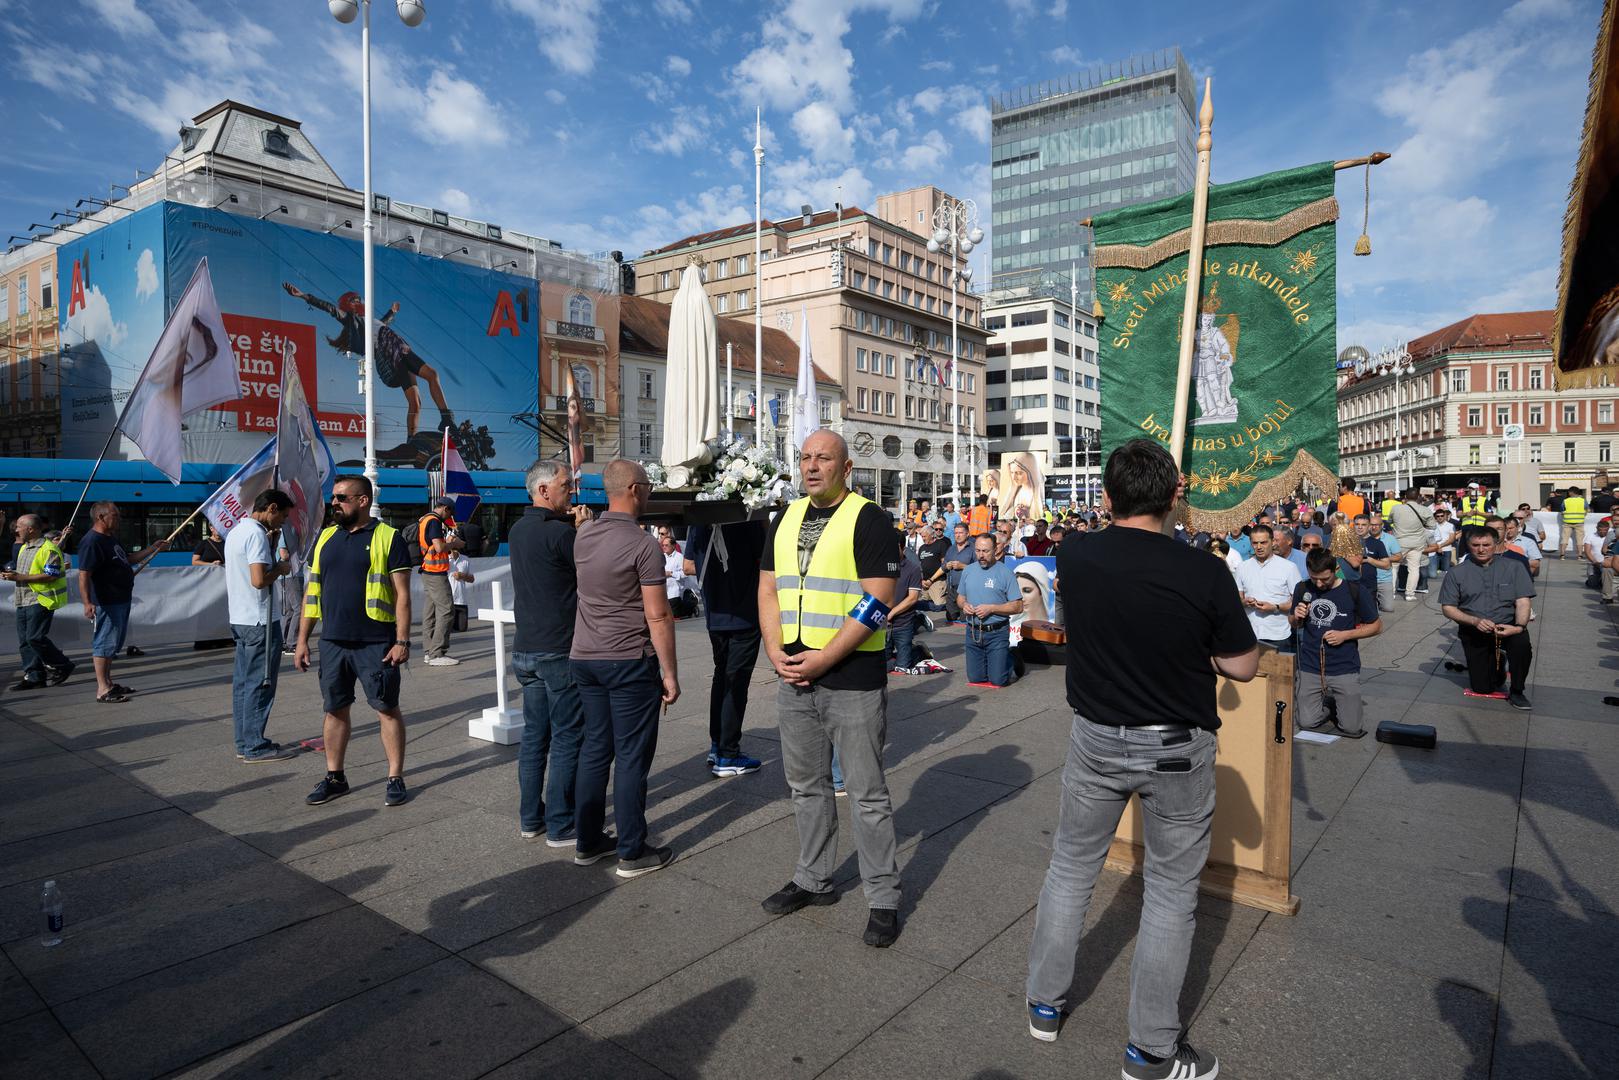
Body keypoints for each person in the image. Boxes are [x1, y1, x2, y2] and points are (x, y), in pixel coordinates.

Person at [1026, 438, 1258, 1080]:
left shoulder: (1075, 553)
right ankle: (1151, 1050)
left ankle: (1043, 1004)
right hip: (1173, 745)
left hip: (1096, 735)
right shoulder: (1204, 570)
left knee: (1070, 870)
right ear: (1175, 495)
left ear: (1105, 496)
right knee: (1170, 894)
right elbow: (1242, 664)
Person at [757, 429, 902, 948]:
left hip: (850, 677)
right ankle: (813, 878)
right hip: (794, 674)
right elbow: (769, 588)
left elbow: (877, 601)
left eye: (823, 458)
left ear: (845, 467)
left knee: (866, 793)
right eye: (805, 458)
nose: (811, 465)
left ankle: (882, 897)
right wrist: (774, 650)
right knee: (805, 785)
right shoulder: (786, 517)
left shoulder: (870, 519)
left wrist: (824, 658)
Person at [570, 459, 679, 878]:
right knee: (632, 756)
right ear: (634, 489)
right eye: (648, 486)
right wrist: (669, 674)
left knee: (596, 750)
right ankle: (633, 851)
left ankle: (588, 841)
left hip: (585, 657)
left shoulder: (583, 537)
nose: (650, 493)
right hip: (628, 660)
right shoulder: (642, 544)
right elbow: (658, 616)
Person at [296, 476, 414, 806]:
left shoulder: (388, 537)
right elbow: (312, 591)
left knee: (386, 709)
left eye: (342, 498)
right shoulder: (325, 538)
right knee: (334, 710)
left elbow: (402, 595)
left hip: (376, 642)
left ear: (363, 501)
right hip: (332, 641)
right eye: (332, 498)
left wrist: (402, 641)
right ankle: (335, 777)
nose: (334, 503)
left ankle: (394, 777)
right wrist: (303, 639)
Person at [509, 459, 591, 846]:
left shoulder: (519, 530)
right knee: (567, 737)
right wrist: (584, 528)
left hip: (526, 649)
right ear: (543, 491)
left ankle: (531, 818)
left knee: (534, 738)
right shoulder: (561, 535)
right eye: (564, 486)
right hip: (558, 650)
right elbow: (592, 569)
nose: (571, 492)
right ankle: (560, 824)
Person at [282, 282, 454, 442]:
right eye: (355, 301)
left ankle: (440, 422)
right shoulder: (351, 319)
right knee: (420, 392)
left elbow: (383, 323)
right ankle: (418, 436)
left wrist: (392, 312)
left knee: (422, 390)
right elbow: (329, 308)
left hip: (401, 348)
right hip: (391, 354)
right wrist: (304, 296)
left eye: (359, 300)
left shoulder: (372, 321)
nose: (359, 303)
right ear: (349, 305)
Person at [684, 521, 767, 778]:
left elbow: (687, 566)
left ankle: (716, 745)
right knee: (736, 682)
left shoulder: (698, 525)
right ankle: (729, 754)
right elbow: (766, 563)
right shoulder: (748, 520)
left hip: (715, 614)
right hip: (744, 613)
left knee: (722, 677)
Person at [224, 490, 299, 763]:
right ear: (271, 508)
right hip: (260, 619)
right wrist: (280, 568)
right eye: (282, 516)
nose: (282, 522)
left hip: (241, 618)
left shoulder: (237, 531)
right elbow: (258, 580)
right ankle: (255, 745)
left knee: (243, 684)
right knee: (261, 683)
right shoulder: (256, 535)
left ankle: (245, 742)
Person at [77, 501, 168, 704]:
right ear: (100, 517)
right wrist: (87, 602)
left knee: (112, 643)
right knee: (104, 642)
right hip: (106, 600)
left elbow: (128, 559)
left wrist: (153, 549)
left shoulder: (110, 539)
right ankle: (102, 689)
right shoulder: (92, 541)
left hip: (120, 598)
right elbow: (84, 574)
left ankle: (109, 682)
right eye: (115, 515)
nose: (119, 519)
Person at [1439, 524, 1534, 710]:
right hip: (1474, 628)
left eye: (1486, 545)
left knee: (1522, 645)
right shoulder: (1456, 572)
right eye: (1475, 545)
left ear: (1496, 544)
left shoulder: (1514, 567)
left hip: (1509, 626)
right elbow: (1448, 608)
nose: (1481, 549)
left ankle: (1517, 691)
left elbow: (1523, 601)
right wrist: (1474, 621)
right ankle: (1498, 666)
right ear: (1468, 545)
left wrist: (1519, 627)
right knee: (1483, 687)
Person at [1290, 548, 1382, 737]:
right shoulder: (1302, 588)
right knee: (1307, 721)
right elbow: (1293, 622)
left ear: (1336, 569)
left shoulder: (1354, 590)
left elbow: (1377, 626)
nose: (1319, 583)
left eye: (1324, 579)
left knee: (1351, 728)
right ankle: (1327, 703)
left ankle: (1336, 702)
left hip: (1343, 665)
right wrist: (1296, 617)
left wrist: (1345, 635)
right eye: (1314, 577)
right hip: (1310, 665)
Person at [3, 514, 73, 691]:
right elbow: (22, 573)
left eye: (19, 526)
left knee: (35, 638)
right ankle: (34, 676)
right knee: (25, 641)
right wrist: (10, 575)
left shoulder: (48, 549)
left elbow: (52, 575)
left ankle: (62, 664)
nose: (16, 529)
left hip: (40, 600)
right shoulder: (24, 548)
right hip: (22, 599)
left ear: (31, 529)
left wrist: (20, 577)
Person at [959, 534, 1021, 687]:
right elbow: (960, 598)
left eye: (985, 551)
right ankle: (993, 661)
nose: (981, 555)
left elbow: (1018, 606)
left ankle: (1013, 658)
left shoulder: (1005, 572)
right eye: (978, 550)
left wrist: (992, 608)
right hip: (973, 631)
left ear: (995, 550)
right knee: (975, 678)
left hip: (997, 632)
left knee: (998, 680)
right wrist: (964, 605)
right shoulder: (968, 571)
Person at [1234, 523, 1301, 652]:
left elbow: (1297, 602)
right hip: (1250, 633)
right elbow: (1237, 599)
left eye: (1263, 542)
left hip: (1278, 634)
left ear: (1272, 542)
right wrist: (1245, 602)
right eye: (1255, 543)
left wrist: (1275, 607)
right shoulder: (1243, 567)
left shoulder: (1289, 567)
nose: (1259, 547)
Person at [417, 497, 464, 665]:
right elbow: (439, 547)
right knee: (446, 610)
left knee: (430, 612)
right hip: (435, 572)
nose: (449, 516)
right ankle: (437, 653)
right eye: (450, 512)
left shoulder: (425, 519)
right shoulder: (435, 521)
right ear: (445, 508)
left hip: (428, 571)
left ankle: (429, 651)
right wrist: (455, 543)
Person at [1388, 488, 1436, 602]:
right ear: (1418, 496)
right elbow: (1432, 526)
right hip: (1417, 543)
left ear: (1405, 496)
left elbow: (1389, 521)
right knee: (1414, 569)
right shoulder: (1425, 510)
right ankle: (1410, 594)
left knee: (1394, 567)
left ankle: (1391, 592)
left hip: (1399, 542)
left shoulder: (1396, 508)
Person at [887, 550, 924, 673]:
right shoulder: (882, 565)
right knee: (882, 664)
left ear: (902, 548)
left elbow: (912, 598)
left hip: (903, 623)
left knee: (902, 667)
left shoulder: (913, 569)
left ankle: (918, 651)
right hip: (884, 625)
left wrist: (892, 613)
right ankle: (895, 658)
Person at [916, 522, 952, 611]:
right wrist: (922, 580)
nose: (923, 539)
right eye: (922, 537)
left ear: (932, 535)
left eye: (925, 536)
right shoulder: (922, 548)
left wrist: (931, 579)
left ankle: (949, 601)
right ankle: (929, 602)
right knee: (922, 604)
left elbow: (944, 565)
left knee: (939, 606)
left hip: (937, 580)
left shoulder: (941, 544)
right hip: (925, 582)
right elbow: (920, 565)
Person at [941, 521, 972, 623]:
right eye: (956, 533)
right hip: (952, 587)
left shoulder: (973, 548)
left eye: (960, 533)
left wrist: (963, 566)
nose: (957, 535)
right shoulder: (951, 548)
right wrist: (946, 565)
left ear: (967, 534)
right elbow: (943, 566)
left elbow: (979, 569)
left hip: (966, 589)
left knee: (964, 619)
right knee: (951, 617)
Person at [660, 532, 696, 618]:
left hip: (675, 591)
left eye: (666, 545)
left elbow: (685, 573)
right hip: (664, 590)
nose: (664, 547)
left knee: (675, 615)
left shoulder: (679, 557)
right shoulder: (662, 557)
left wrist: (671, 573)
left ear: (673, 546)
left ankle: (691, 607)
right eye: (663, 545)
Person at [1585, 517, 1615, 602]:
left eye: (1605, 530)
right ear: (1597, 529)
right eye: (1600, 530)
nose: (1602, 532)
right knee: (1592, 584)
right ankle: (1593, 580)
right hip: (1594, 563)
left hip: (1607, 563)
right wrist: (1594, 562)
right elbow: (1587, 552)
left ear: (1608, 529)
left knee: (1605, 579)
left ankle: (1603, 581)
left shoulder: (1612, 536)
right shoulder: (1590, 536)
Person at [1559, 485, 1588, 560]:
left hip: (1567, 522)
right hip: (1579, 522)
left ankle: (1562, 555)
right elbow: (1587, 509)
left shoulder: (1566, 501)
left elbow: (1562, 510)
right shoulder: (1583, 500)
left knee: (1564, 538)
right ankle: (1580, 556)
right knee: (1580, 540)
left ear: (1571, 492)